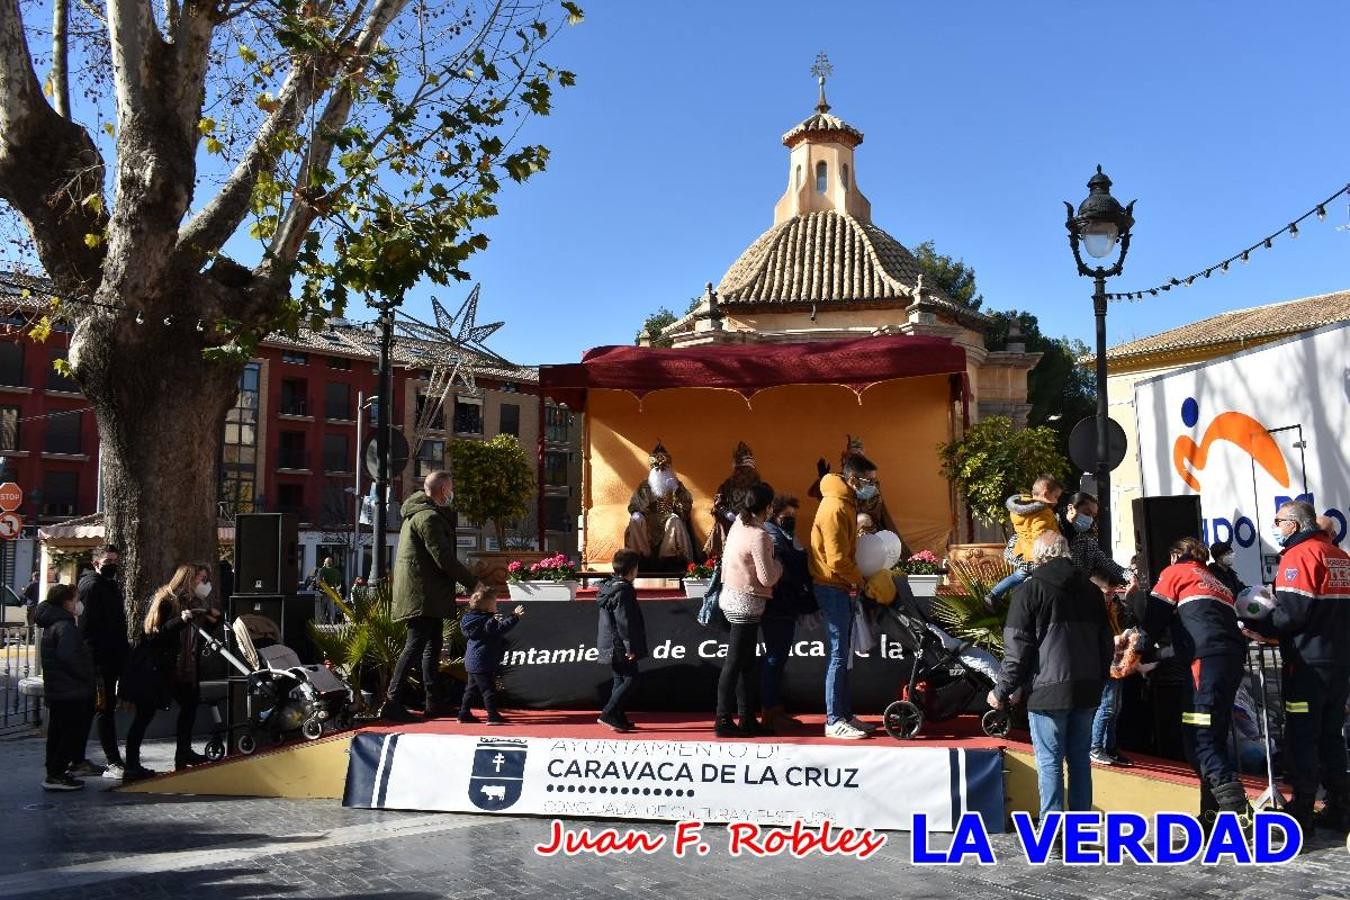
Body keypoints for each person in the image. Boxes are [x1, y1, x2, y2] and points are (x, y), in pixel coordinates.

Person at [989, 533, 1112, 819]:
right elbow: (1105, 643)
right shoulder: (1092, 591)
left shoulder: (1030, 590)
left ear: (1038, 556)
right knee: (1080, 761)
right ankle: (1082, 833)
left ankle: (1054, 836)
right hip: (1086, 689)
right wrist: (1099, 679)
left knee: (1049, 762)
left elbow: (1018, 649)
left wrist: (1002, 689)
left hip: (1047, 690)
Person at [1248, 500, 1350, 835]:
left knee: (1302, 737)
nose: (1276, 528)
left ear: (1293, 523)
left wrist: (1261, 626)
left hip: (1307, 664)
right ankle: (1340, 807)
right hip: (1338, 663)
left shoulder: (1300, 555)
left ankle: (1302, 812)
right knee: (1332, 737)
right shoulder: (1340, 556)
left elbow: (1292, 612)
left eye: (1278, 521)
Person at [1143, 537, 1248, 828]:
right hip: (1228, 661)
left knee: (1200, 741)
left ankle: (1241, 815)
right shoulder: (1216, 581)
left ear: (1177, 555)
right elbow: (1201, 631)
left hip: (1205, 666)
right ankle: (1211, 815)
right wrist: (1160, 657)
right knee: (1212, 737)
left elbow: (1153, 620)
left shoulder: (1175, 573)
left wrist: (1135, 649)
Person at [383, 471, 481, 722]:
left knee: (431, 646)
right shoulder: (428, 518)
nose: (452, 493)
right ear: (442, 490)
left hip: (427, 594)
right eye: (450, 488)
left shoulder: (417, 514)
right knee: (416, 646)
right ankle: (392, 702)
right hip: (422, 595)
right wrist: (474, 583)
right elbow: (444, 558)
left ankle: (432, 702)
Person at [121, 564, 216, 781]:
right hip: (159, 668)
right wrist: (180, 620)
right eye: (201, 579)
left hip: (180, 667)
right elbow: (155, 634)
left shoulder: (191, 603)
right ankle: (132, 765)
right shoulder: (166, 601)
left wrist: (213, 620)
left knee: (190, 705)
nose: (204, 584)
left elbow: (196, 636)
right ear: (188, 581)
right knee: (144, 715)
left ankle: (184, 752)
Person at [809, 454, 877, 740]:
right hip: (831, 585)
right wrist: (860, 581)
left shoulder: (847, 503)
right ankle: (834, 718)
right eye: (869, 481)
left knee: (844, 655)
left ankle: (845, 714)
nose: (873, 487)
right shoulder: (836, 507)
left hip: (840, 585)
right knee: (838, 654)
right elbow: (837, 559)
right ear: (852, 479)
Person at [715, 482, 782, 738]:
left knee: (745, 663)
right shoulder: (759, 535)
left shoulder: (738, 526)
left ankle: (746, 717)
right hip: (747, 602)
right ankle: (723, 718)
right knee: (736, 662)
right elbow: (767, 577)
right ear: (767, 506)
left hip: (732, 596)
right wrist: (780, 567)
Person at [761, 494, 815, 732]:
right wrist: (800, 557)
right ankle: (769, 712)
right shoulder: (772, 535)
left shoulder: (787, 536)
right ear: (775, 515)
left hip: (786, 604)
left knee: (779, 658)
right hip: (777, 605)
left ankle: (775, 709)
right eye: (787, 516)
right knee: (774, 659)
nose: (791, 521)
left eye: (794, 516)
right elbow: (788, 566)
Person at [36, 583, 96, 792]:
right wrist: (86, 676)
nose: (79, 603)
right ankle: (57, 773)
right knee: (69, 733)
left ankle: (54, 771)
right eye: (76, 599)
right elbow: (68, 656)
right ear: (67, 602)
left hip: (59, 689)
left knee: (58, 732)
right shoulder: (65, 625)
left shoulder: (53, 623)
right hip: (70, 690)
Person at [76, 545, 127, 780]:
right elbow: (87, 628)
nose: (112, 565)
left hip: (110, 658)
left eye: (115, 560)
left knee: (100, 710)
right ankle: (112, 760)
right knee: (102, 710)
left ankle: (78, 759)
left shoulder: (108, 585)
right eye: (108, 561)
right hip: (98, 661)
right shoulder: (93, 587)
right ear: (96, 563)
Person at [989, 476, 1064, 604]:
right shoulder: (1042, 513)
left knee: (1020, 575)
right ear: (1045, 493)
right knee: (1045, 580)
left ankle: (994, 594)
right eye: (1056, 496)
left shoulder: (1020, 509)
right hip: (1038, 556)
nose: (1056, 501)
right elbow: (1040, 534)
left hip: (1024, 550)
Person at [596, 549, 647, 733]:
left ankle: (617, 715)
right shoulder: (623, 591)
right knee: (631, 678)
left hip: (610, 642)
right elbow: (625, 621)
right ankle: (608, 712)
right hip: (620, 644)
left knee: (619, 679)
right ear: (632, 569)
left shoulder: (609, 587)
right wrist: (630, 647)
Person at [458, 585, 523, 725]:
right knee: (488, 690)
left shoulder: (470, 620)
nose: (496, 605)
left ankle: (463, 714)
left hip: (471, 661)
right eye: (494, 603)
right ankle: (493, 716)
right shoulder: (487, 622)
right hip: (484, 661)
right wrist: (514, 616)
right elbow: (500, 629)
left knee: (471, 689)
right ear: (487, 608)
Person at [625, 442, 696, 569]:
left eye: (663, 468)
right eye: (657, 469)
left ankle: (668, 558)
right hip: (647, 524)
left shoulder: (676, 485)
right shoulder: (644, 486)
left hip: (668, 520)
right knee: (635, 519)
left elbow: (686, 508)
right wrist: (639, 511)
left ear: (669, 468)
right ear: (652, 469)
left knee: (674, 520)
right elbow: (633, 506)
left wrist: (676, 491)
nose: (660, 471)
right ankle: (642, 558)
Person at [705, 441, 762, 559]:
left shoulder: (759, 486)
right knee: (720, 528)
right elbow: (718, 503)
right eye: (742, 470)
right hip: (729, 522)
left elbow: (764, 505)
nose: (745, 473)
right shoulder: (727, 485)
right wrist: (727, 514)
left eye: (748, 470)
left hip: (752, 522)